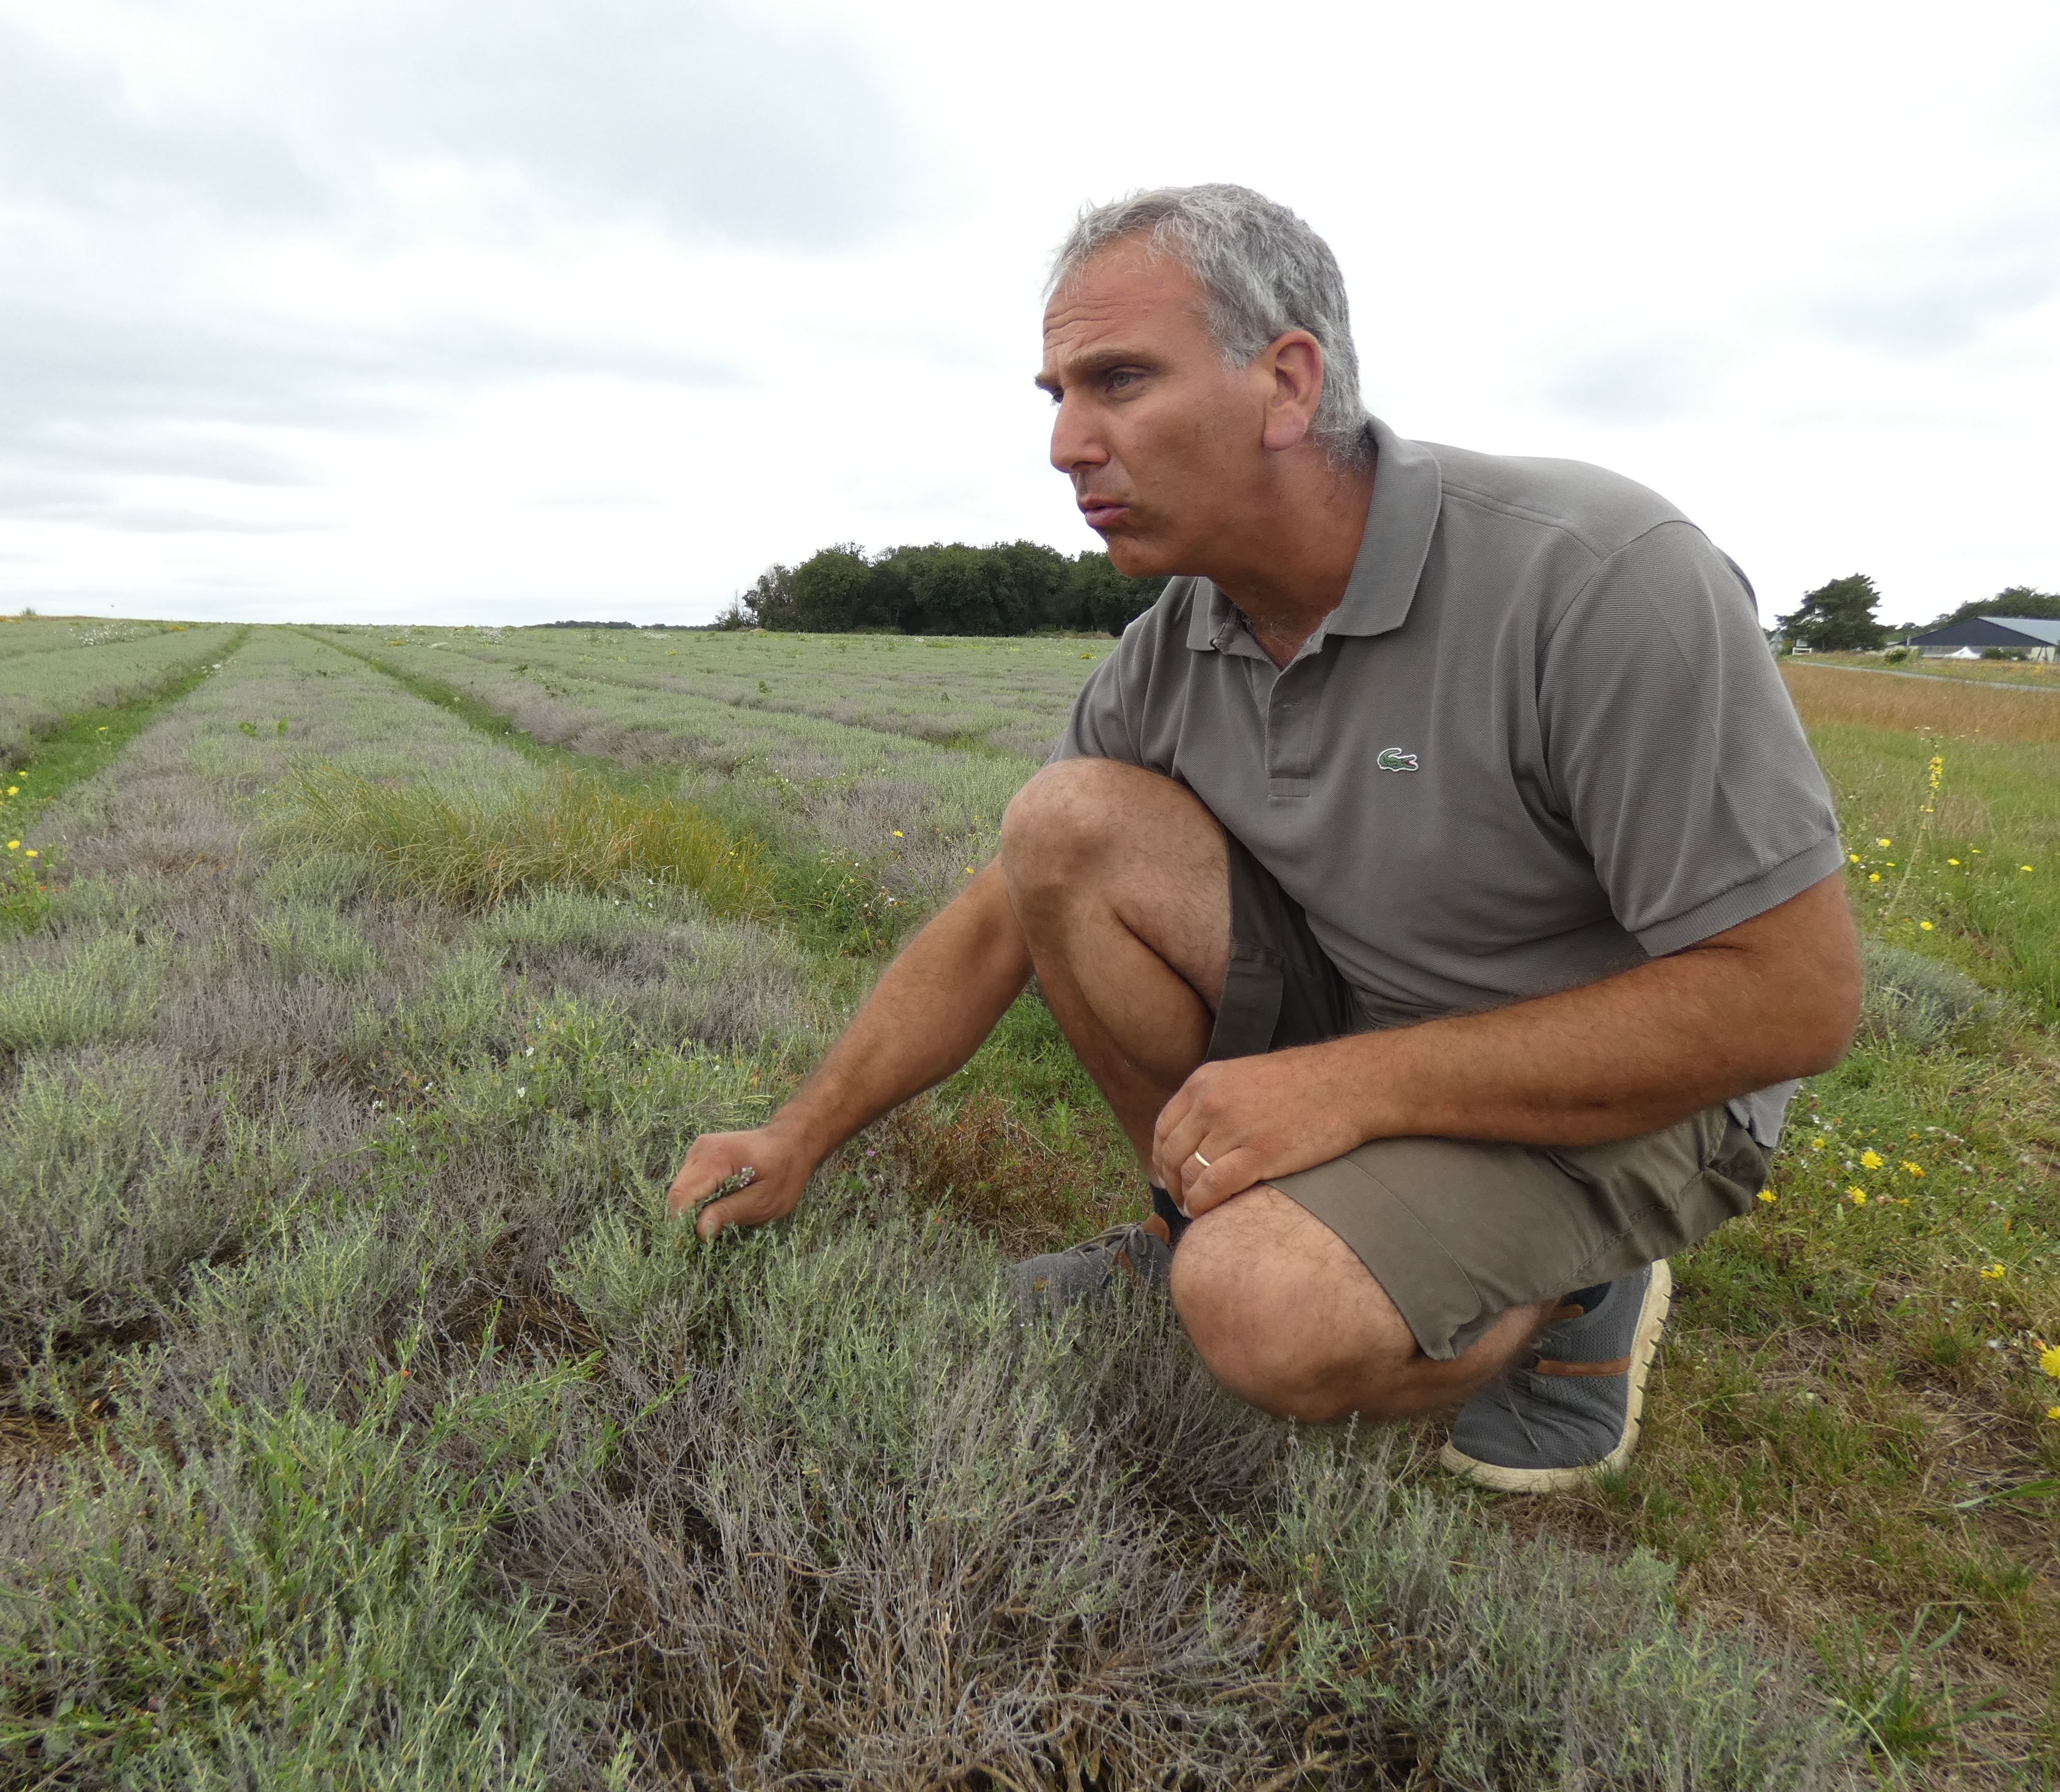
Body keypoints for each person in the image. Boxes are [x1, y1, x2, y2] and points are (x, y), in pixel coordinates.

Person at [666, 183, 1860, 1493]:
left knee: (1259, 1309)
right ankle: (1188, 1230)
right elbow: (1007, 906)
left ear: (1288, 383)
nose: (1068, 443)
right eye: (1056, 395)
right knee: (1062, 824)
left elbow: (1789, 1003)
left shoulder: (1596, 577)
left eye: (1117, 381)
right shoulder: (1179, 641)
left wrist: (1343, 1090)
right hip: (1380, 1020)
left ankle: (1578, 1299)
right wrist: (798, 1136)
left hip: (1630, 1094)